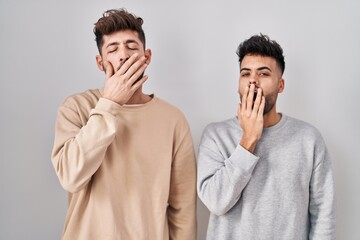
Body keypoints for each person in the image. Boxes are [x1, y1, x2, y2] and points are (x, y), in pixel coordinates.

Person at [51, 9, 196, 240]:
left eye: (131, 46)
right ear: (100, 62)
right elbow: (70, 177)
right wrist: (110, 103)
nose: (123, 55)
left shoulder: (173, 119)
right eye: (113, 49)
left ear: (146, 57)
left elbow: (183, 210)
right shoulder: (76, 107)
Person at [197, 34, 335, 239]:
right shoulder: (216, 135)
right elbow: (216, 203)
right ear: (238, 84)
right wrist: (248, 140)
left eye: (263, 74)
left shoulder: (308, 139)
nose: (253, 81)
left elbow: (323, 213)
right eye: (245, 74)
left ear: (281, 85)